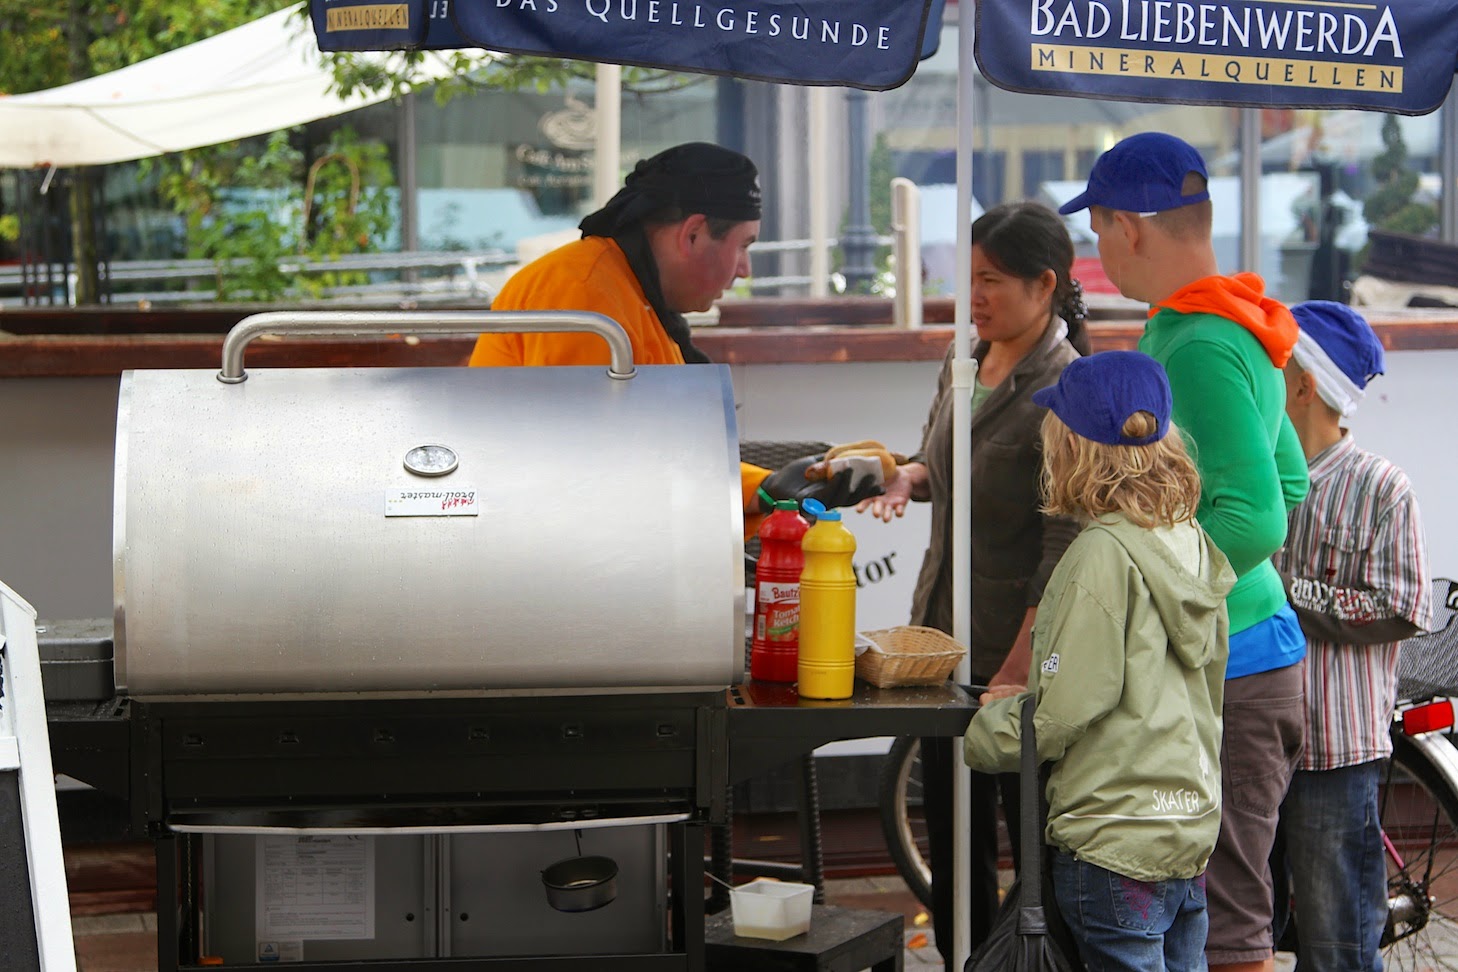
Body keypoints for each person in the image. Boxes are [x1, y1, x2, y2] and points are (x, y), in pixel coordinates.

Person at [1060, 131, 1312, 972]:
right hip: (1250, 650)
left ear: (1127, 226)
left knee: (1232, 927)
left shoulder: (1199, 341)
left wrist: (1147, 588)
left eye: (1095, 233)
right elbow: (1292, 481)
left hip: (1231, 668)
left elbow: (1260, 516)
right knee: (1220, 911)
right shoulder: (1236, 322)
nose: (1097, 256)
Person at [848, 200, 1089, 961]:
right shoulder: (964, 359)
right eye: (969, 278)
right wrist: (907, 479)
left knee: (1035, 850)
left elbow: (1062, 544)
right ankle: (960, 959)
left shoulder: (1066, 387)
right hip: (945, 642)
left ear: (1043, 284)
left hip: (1020, 656)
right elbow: (938, 463)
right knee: (954, 845)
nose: (974, 296)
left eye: (991, 280)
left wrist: (1020, 665)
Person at [965, 349, 1236, 972]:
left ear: (1070, 447)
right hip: (1186, 828)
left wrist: (987, 730)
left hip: (1111, 841)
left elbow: (1066, 710)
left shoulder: (1100, 555)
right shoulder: (1190, 539)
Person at [468, 141, 873, 534]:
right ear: (693, 233)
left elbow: (654, 454)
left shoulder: (630, 290)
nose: (745, 270)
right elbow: (591, 471)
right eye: (744, 246)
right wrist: (756, 490)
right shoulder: (583, 291)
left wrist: (765, 489)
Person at [1272, 300, 1432, 971]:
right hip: (1252, 741)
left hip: (1332, 751)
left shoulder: (1381, 488)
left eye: (1272, 367)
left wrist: (1288, 595)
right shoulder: (1256, 479)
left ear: (1304, 383)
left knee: (1336, 937)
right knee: (1253, 926)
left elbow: (1402, 605)